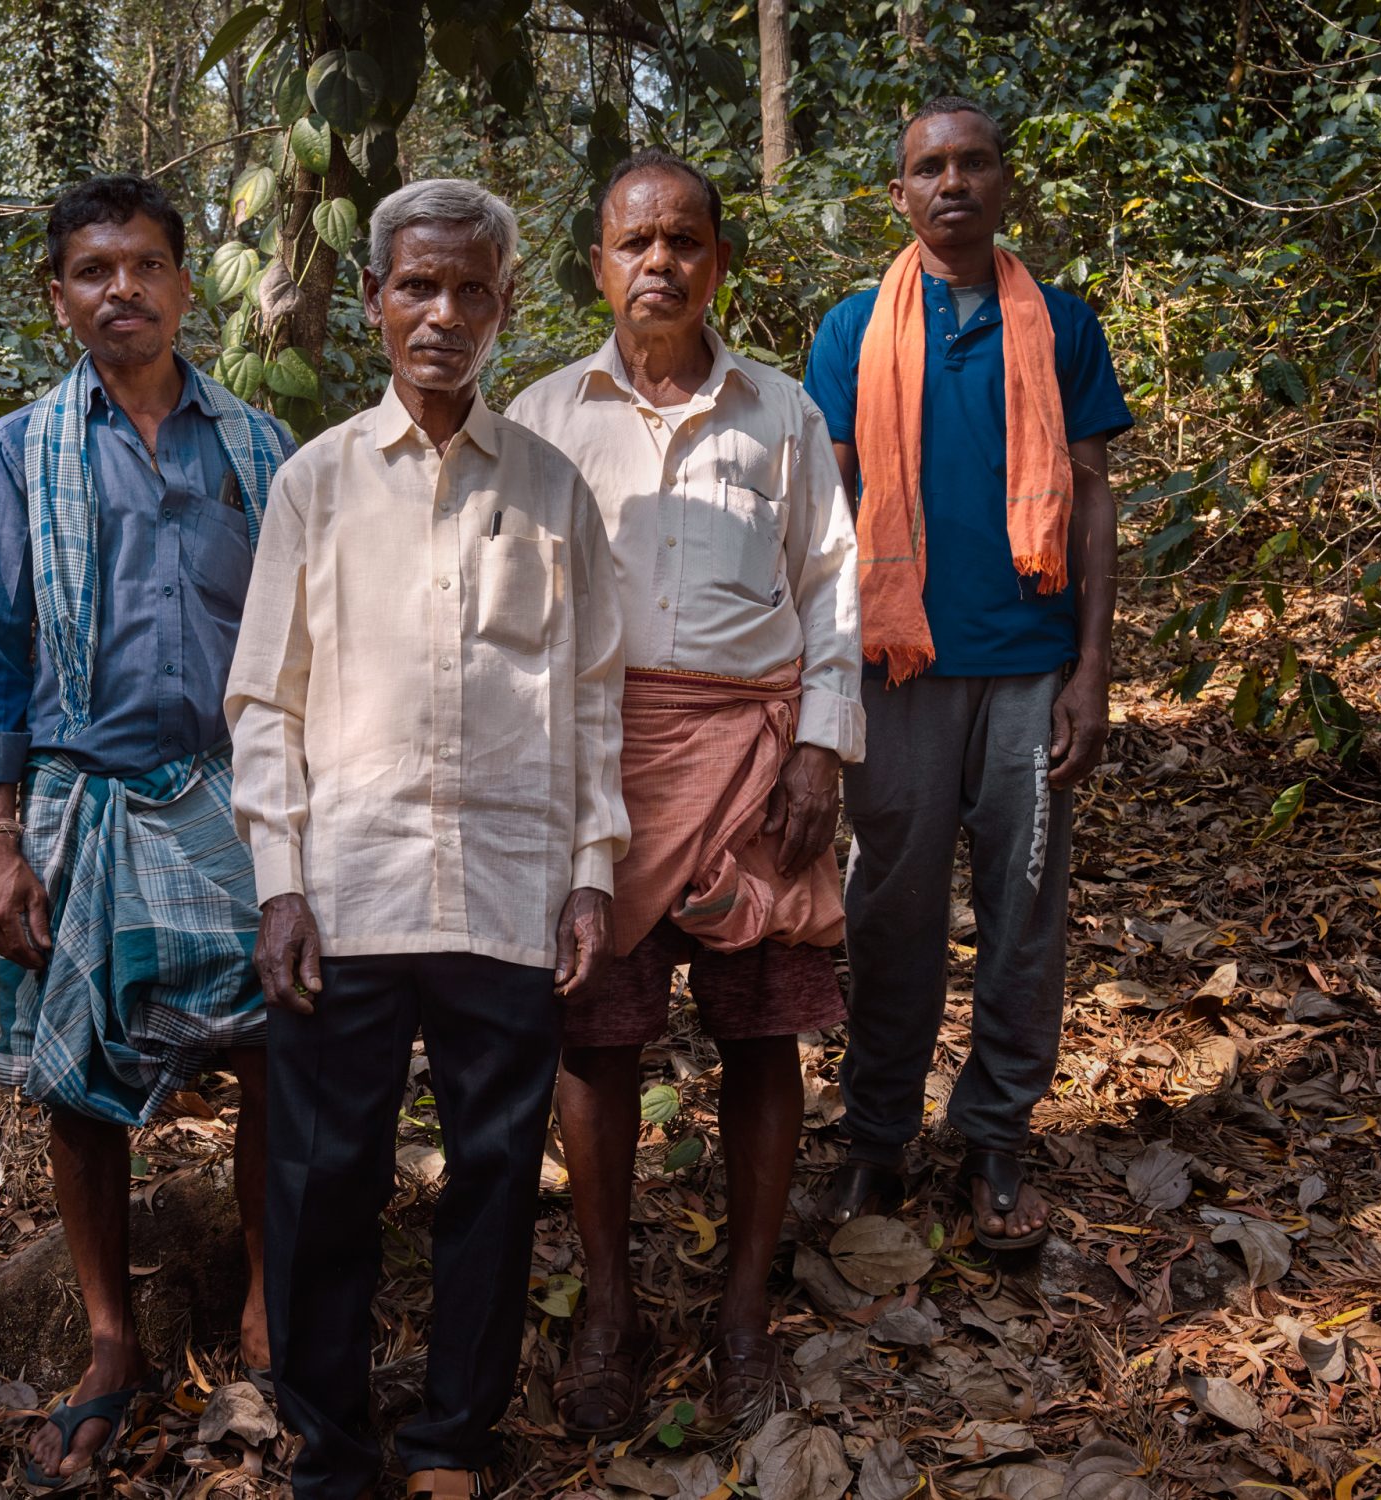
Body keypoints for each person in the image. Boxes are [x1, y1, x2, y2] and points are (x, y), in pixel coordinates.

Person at [226, 178, 628, 1500]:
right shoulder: (317, 483)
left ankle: (454, 1437)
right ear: (375, 301)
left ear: (504, 306)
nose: (442, 314)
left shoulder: (554, 488)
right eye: (416, 286)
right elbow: (264, 699)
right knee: (323, 1175)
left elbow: (592, 696)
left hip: (508, 892)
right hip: (345, 891)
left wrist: (590, 871)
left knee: (496, 1175)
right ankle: (331, 1446)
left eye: (468, 290)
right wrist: (279, 883)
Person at [0, 174, 294, 1487]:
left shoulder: (261, 446)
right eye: (93, 270)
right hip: (81, 798)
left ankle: (268, 1305)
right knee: (77, 1086)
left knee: (275, 1050)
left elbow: (309, 639)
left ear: (186, 286)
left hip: (237, 794)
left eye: (144, 265)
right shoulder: (21, 451)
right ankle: (107, 1339)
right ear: (59, 296)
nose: (121, 289)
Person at [508, 150, 863, 1431]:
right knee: (596, 1036)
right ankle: (610, 1309)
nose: (659, 262)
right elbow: (511, 611)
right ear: (597, 266)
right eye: (634, 242)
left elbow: (831, 586)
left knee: (763, 1029)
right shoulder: (543, 418)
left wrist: (820, 748)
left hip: (758, 761)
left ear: (719, 261)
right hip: (598, 762)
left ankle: (744, 1316)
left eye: (684, 241)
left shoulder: (783, 414)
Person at [802, 98, 1133, 1250]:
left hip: (1030, 670)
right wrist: (818, 681)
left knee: (1021, 913)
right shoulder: (852, 331)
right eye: (929, 167)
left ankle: (996, 1137)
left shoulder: (1063, 325)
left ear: (1005, 182)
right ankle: (876, 1138)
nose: (952, 182)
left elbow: (1090, 501)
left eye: (974, 161)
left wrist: (1093, 669)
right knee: (887, 915)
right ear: (899, 194)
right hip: (896, 668)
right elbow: (825, 518)